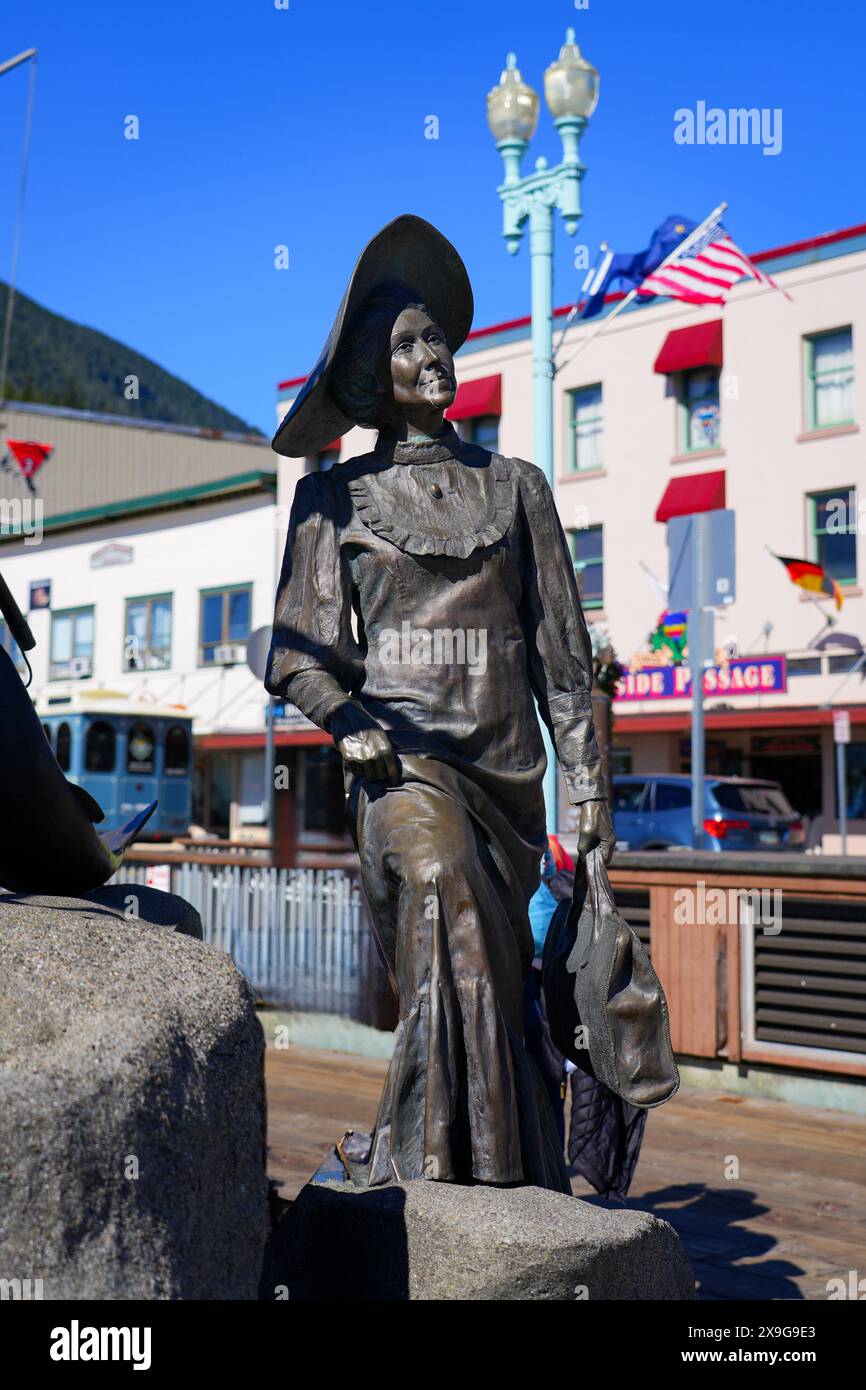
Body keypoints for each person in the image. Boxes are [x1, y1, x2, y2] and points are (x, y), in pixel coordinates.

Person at [265, 215, 614, 1192]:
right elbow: (293, 654)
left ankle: (508, 1169)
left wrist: (589, 794)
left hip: (507, 786)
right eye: (409, 343)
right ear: (374, 376)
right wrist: (349, 719)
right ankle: (440, 1176)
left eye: (438, 337)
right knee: (437, 895)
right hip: (404, 773)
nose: (436, 356)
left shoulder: (516, 487)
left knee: (496, 987)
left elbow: (561, 655)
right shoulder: (330, 501)